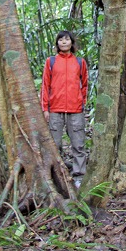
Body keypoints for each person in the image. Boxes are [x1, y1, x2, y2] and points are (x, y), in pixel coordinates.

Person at [40, 30, 88, 186]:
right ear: (57, 43)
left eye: (67, 39)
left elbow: (85, 84)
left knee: (78, 144)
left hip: (75, 109)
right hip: (55, 109)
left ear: (72, 43)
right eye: (60, 40)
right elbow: (45, 85)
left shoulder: (80, 62)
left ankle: (79, 176)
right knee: (55, 145)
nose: (64, 42)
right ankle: (58, 177)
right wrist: (45, 108)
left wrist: (82, 101)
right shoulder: (51, 61)